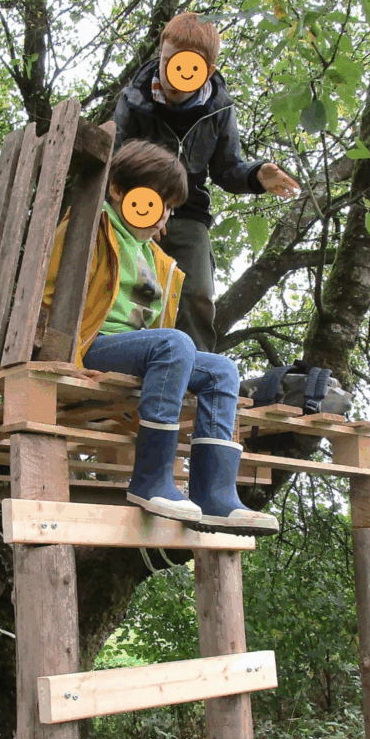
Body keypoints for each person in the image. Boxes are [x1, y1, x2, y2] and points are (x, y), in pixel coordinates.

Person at [41, 139, 278, 536]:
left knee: (222, 370)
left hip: (138, 351)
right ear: (118, 190)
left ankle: (214, 493)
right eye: (154, 202)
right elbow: (49, 290)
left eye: (168, 207)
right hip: (91, 342)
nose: (161, 216)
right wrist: (58, 344)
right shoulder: (89, 226)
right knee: (176, 342)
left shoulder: (156, 257)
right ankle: (151, 478)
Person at [113, 12, 300, 353]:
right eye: (169, 61)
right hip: (136, 206)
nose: (174, 74)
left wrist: (256, 175)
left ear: (208, 71)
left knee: (196, 292)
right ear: (161, 54)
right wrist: (144, 208)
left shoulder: (219, 109)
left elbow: (227, 169)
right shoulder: (134, 100)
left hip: (187, 211)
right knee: (131, 288)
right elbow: (120, 162)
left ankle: (195, 368)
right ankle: (121, 354)